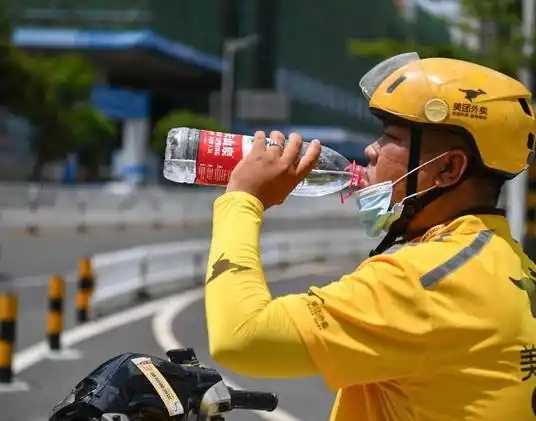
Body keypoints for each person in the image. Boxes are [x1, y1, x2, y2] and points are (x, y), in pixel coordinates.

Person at [204, 52, 536, 421]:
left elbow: (243, 337)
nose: (370, 151)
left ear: (448, 168)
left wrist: (242, 199)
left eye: (389, 137)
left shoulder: (425, 282)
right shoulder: (514, 266)